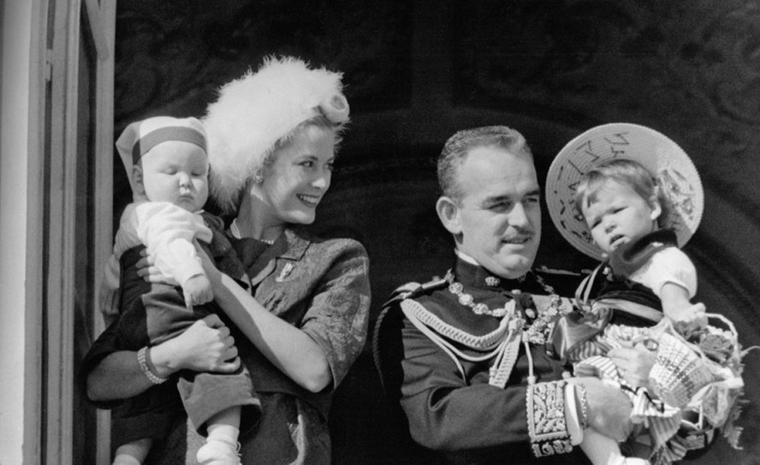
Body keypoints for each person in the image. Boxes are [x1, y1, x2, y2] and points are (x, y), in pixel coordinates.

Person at [82, 56, 371, 465]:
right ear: (256, 165)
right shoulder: (176, 237)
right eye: (307, 164)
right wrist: (172, 356)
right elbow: (99, 382)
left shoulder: (338, 259)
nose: (322, 181)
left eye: (327, 166)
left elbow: (313, 369)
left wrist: (214, 281)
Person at [375, 125, 655, 465]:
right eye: (500, 205)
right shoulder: (420, 315)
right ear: (451, 215)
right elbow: (439, 418)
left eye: (530, 200)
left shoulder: (591, 291)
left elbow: (686, 423)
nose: (522, 220)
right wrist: (577, 401)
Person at [545, 123, 749, 465]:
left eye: (617, 211)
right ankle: (614, 460)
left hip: (645, 344)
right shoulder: (601, 275)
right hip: (605, 351)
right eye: (596, 222)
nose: (607, 224)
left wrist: (678, 305)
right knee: (580, 404)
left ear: (653, 207)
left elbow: (672, 285)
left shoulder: (657, 256)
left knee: (640, 409)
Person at [100, 116, 260, 465]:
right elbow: (170, 242)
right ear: (140, 179)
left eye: (197, 174)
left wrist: (110, 303)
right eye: (172, 172)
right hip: (173, 306)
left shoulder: (133, 217)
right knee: (220, 361)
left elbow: (115, 267)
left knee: (145, 398)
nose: (186, 183)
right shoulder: (160, 214)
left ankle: (127, 458)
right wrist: (193, 276)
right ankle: (222, 443)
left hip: (137, 320)